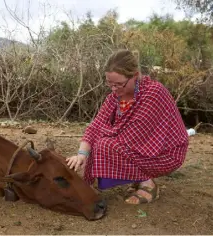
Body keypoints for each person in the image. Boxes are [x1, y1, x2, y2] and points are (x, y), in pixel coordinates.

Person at [66, 49, 189, 204]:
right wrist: (82, 154)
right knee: (102, 145)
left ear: (135, 76)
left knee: (105, 145)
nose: (114, 89)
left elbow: (130, 138)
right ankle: (137, 179)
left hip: (166, 153)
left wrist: (94, 147)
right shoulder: (114, 98)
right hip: (137, 150)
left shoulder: (153, 93)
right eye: (110, 84)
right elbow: (95, 127)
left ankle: (148, 184)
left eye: (119, 84)